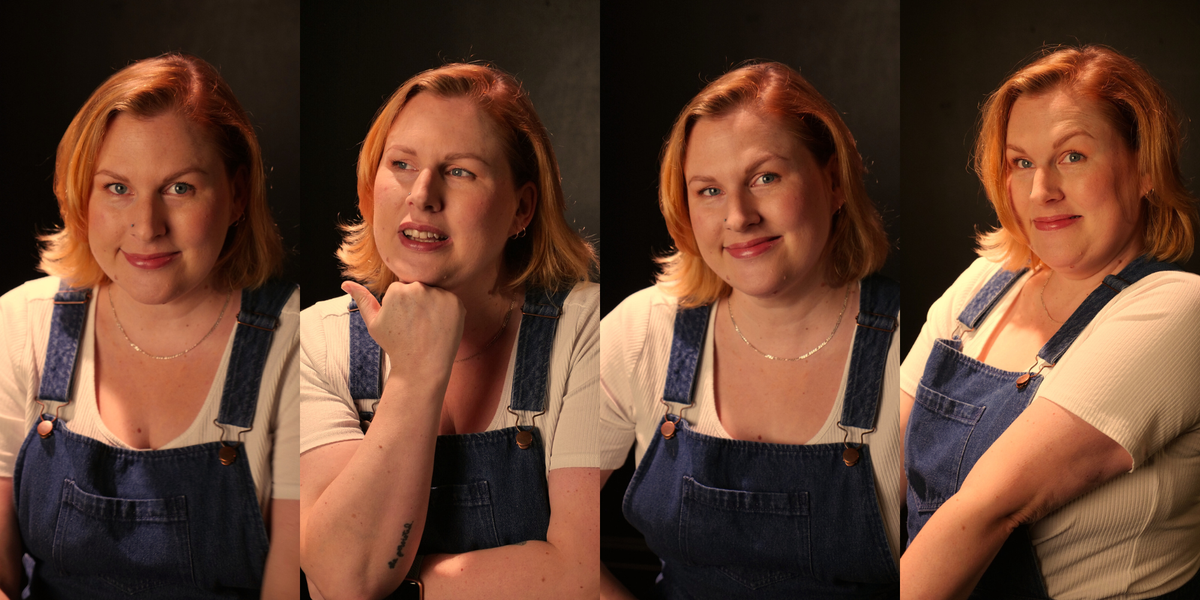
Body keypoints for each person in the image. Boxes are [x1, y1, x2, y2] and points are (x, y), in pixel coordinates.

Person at [901, 45, 1200, 600]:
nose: (1042, 192)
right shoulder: (989, 281)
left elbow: (990, 510)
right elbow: (880, 466)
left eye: (1072, 157)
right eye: (1021, 163)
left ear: (1144, 170)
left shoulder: (1180, 308)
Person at [0, 53, 299, 599]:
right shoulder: (22, 323)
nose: (146, 225)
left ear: (236, 194)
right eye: (117, 188)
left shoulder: (293, 339)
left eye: (180, 188)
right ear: (81, 195)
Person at [599, 61, 901, 599]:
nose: (738, 216)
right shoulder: (644, 330)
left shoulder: (910, 342)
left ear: (833, 183)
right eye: (708, 191)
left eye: (765, 178)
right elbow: (551, 529)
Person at [298, 63, 601, 600]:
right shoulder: (315, 342)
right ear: (371, 191)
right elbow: (346, 575)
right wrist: (415, 375)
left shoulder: (584, 329)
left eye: (460, 171)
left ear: (521, 208)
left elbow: (577, 577)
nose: (422, 194)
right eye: (401, 164)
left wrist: (401, 590)